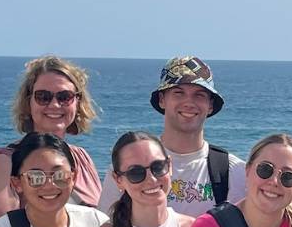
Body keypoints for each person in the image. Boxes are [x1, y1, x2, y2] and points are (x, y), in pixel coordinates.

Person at [104, 55, 246, 216]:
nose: (189, 102)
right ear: (162, 100)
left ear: (211, 105)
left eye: (199, 95)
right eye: (178, 93)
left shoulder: (235, 172)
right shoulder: (128, 168)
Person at [0, 55, 103, 218]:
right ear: (28, 102)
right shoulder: (5, 163)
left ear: (77, 102)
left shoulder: (82, 159)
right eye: (43, 97)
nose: (54, 105)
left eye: (64, 97)